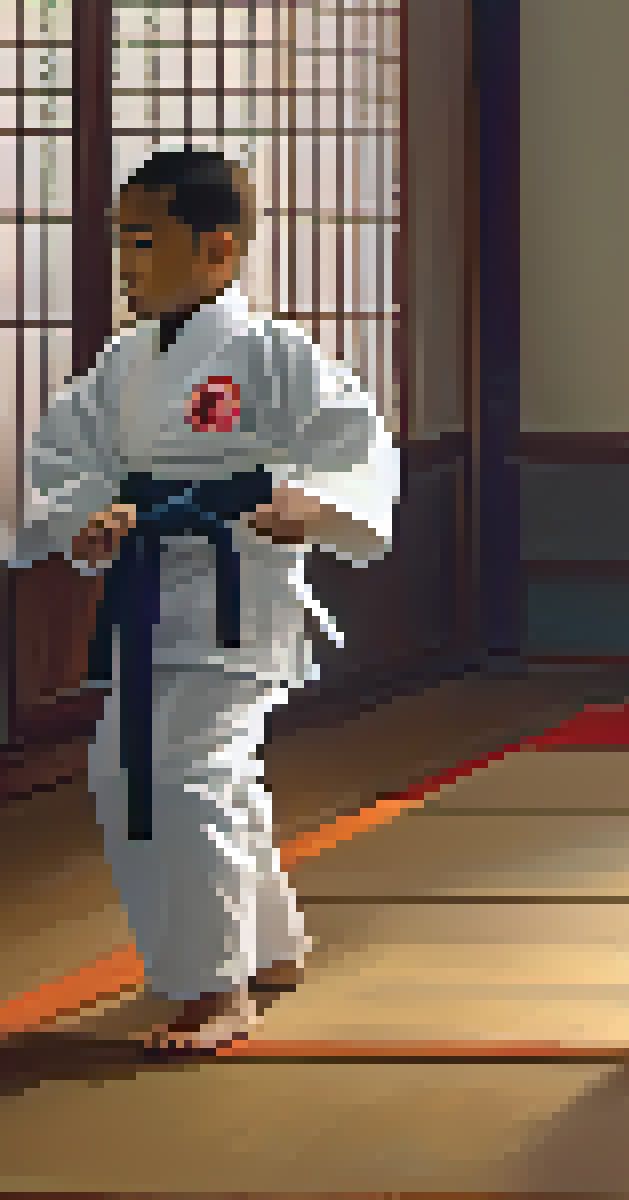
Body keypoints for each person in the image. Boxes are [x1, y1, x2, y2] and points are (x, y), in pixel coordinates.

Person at [10, 149, 400, 1051]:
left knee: (172, 777)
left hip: (238, 594)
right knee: (191, 775)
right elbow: (65, 461)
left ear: (218, 248)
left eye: (145, 241)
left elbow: (355, 445)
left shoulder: (271, 353)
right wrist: (88, 517)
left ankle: (213, 989)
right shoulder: (124, 362)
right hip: (151, 591)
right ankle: (266, 948)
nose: (127, 263)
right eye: (124, 241)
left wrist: (311, 503)